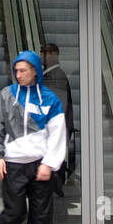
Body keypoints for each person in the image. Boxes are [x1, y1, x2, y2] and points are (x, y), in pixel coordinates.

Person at [0, 50, 67, 224]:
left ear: (35, 71)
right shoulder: (7, 95)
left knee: (41, 215)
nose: (18, 75)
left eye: (23, 71)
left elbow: (58, 135)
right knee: (15, 212)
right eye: (16, 71)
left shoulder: (50, 99)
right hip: (12, 164)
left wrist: (49, 164)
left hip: (40, 166)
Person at [41, 43, 73, 180]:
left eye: (43, 53)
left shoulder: (56, 76)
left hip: (55, 130)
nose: (41, 56)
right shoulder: (49, 75)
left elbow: (59, 107)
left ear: (54, 54)